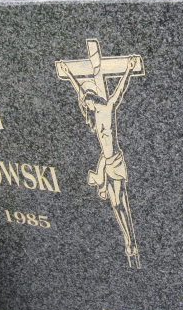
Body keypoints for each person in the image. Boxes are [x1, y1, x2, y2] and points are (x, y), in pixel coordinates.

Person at [57, 56, 141, 268]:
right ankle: (128, 240)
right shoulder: (94, 114)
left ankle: (131, 240)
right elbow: (79, 91)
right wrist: (69, 74)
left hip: (115, 161)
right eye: (85, 104)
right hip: (105, 162)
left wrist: (129, 70)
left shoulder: (107, 108)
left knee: (120, 201)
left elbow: (119, 91)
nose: (86, 106)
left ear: (93, 99)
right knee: (115, 204)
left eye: (87, 102)